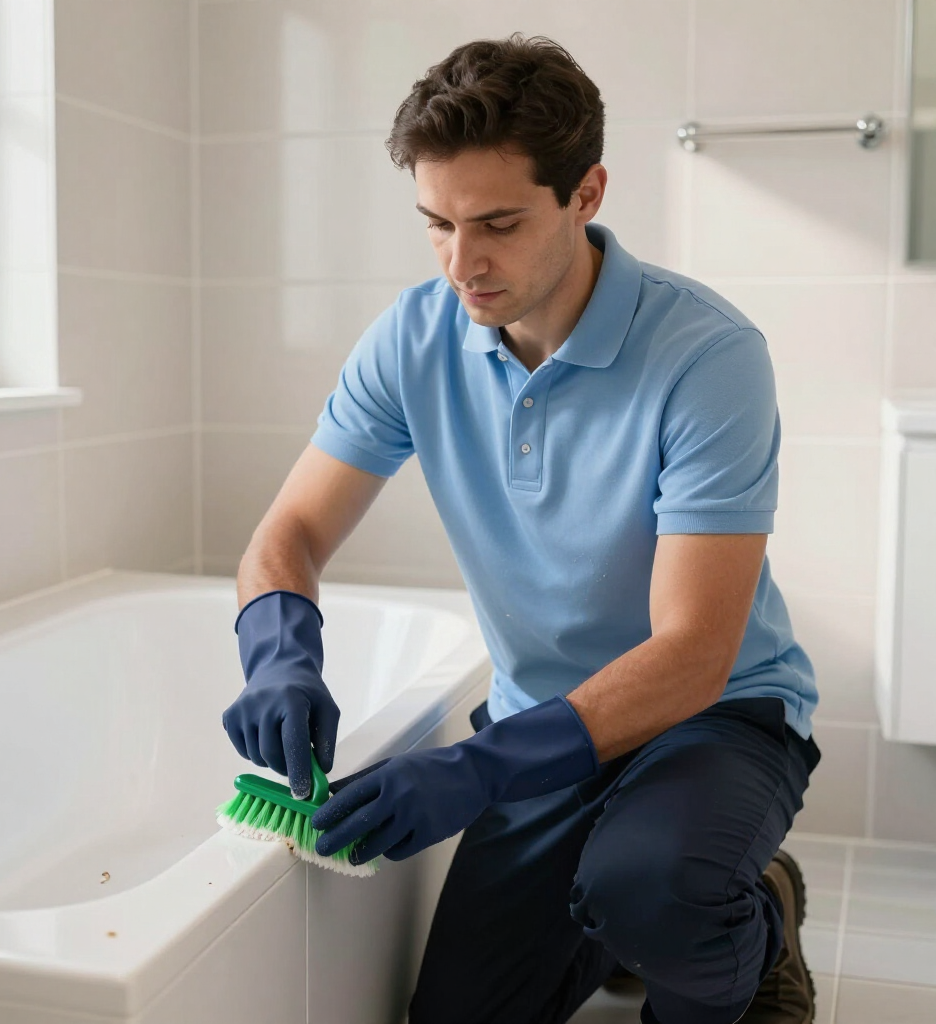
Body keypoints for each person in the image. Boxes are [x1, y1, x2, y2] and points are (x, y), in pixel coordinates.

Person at [221, 34, 821, 1024]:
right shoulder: (414, 339)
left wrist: (475, 770)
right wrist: (277, 649)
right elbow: (286, 531)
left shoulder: (704, 355)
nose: (464, 262)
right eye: (436, 224)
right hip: (545, 728)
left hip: (712, 720)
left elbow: (693, 655)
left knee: (654, 887)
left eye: (496, 222)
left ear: (585, 193)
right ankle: (635, 904)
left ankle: (746, 925)